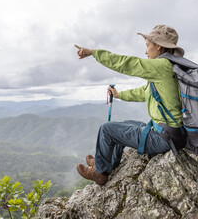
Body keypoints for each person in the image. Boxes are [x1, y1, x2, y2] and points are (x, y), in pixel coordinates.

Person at [74, 25, 186, 185]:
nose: (146, 51)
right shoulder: (170, 67)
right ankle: (106, 162)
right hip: (170, 134)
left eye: (148, 45)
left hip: (163, 138)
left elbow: (128, 64)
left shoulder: (162, 66)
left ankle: (101, 172)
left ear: (159, 46)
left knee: (107, 129)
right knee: (124, 125)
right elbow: (145, 92)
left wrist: (94, 53)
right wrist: (119, 95)